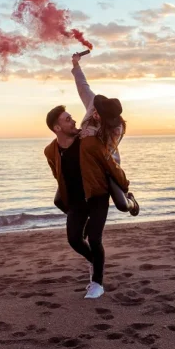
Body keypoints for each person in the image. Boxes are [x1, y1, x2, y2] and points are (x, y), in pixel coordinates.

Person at [44, 105, 130, 299]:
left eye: (71, 117)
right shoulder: (50, 151)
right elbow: (57, 174)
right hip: (76, 200)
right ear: (57, 128)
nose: (74, 120)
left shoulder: (88, 141)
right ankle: (95, 260)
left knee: (94, 238)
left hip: (97, 195)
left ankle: (97, 284)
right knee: (74, 239)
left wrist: (125, 187)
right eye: (67, 119)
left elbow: (110, 164)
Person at [71, 52, 139, 216]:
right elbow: (82, 86)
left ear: (108, 119)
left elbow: (104, 153)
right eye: (96, 110)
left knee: (122, 205)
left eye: (99, 114)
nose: (95, 114)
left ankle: (131, 201)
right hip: (86, 161)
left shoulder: (116, 129)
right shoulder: (93, 103)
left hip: (107, 165)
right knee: (68, 198)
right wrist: (75, 64)